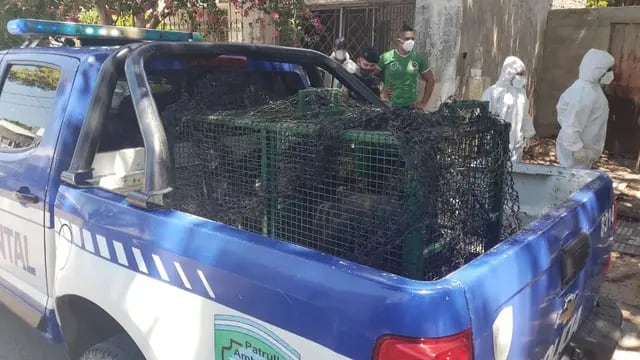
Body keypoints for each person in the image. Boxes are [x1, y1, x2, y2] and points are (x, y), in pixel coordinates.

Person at [555, 48, 615, 169]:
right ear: (597, 71)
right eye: (608, 70)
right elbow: (571, 123)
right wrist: (576, 147)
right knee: (571, 183)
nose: (611, 73)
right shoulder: (583, 94)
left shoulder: (591, 87)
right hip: (577, 153)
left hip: (584, 150)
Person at [481, 56, 536, 162]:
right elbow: (485, 117)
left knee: (512, 173)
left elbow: (525, 115)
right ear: (509, 73)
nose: (522, 78)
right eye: (519, 74)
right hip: (495, 143)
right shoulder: (493, 92)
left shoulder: (521, 94)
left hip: (516, 144)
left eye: (523, 75)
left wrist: (527, 134)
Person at [376, 25, 435, 109]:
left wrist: (423, 103)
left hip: (411, 107)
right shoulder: (385, 57)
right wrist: (382, 89)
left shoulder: (418, 58)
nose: (411, 41)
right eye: (407, 39)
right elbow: (371, 76)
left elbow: (430, 80)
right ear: (398, 41)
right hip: (389, 106)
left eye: (413, 39)